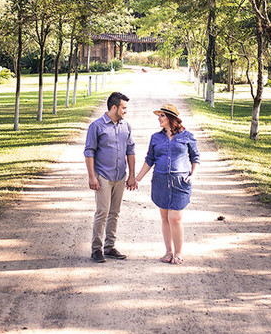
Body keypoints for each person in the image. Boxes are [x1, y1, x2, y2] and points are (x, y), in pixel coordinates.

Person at [135, 102, 199, 264]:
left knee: (175, 218)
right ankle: (168, 252)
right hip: (160, 181)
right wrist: (137, 178)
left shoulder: (187, 136)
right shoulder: (156, 138)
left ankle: (178, 253)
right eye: (159, 116)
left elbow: (195, 157)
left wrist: (193, 174)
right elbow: (149, 160)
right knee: (164, 217)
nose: (159, 118)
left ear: (171, 118)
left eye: (162, 115)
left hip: (180, 182)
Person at [84, 91, 137, 263]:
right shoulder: (96, 126)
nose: (125, 111)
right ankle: (96, 249)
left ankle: (109, 246)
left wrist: (132, 175)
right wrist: (92, 177)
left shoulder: (125, 126)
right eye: (123, 108)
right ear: (114, 107)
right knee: (102, 212)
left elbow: (131, 151)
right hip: (103, 176)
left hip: (120, 177)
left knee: (115, 212)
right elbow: (89, 152)